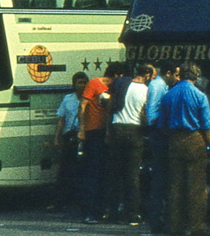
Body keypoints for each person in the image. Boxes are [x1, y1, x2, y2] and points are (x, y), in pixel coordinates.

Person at [158, 61, 210, 236]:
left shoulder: (168, 95)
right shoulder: (199, 95)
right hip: (194, 139)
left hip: (174, 140)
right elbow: (208, 126)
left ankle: (175, 225)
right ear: (196, 75)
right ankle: (197, 226)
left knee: (175, 185)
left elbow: (162, 124)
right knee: (196, 186)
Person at [106, 64, 150, 224]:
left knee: (115, 174)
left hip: (117, 128)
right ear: (147, 75)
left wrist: (108, 131)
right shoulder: (146, 91)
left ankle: (112, 212)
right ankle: (132, 214)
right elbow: (145, 114)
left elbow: (110, 106)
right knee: (132, 176)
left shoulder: (123, 84)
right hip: (134, 131)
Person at [78, 63, 116, 223]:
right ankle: (89, 211)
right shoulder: (94, 83)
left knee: (103, 173)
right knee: (92, 172)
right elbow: (83, 105)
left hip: (104, 132)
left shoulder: (113, 87)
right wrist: (82, 129)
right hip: (93, 131)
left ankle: (101, 210)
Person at [143, 62, 175, 234]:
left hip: (158, 131)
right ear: (168, 73)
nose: (177, 79)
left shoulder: (160, 85)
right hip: (158, 132)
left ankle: (159, 217)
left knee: (161, 177)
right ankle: (156, 219)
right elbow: (153, 113)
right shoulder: (158, 86)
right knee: (160, 177)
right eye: (175, 75)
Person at [49, 72, 88, 213]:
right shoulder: (68, 99)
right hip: (69, 135)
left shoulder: (89, 99)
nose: (82, 86)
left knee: (83, 171)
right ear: (74, 84)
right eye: (79, 83)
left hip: (83, 136)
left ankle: (81, 203)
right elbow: (61, 120)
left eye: (84, 83)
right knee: (64, 171)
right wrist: (56, 138)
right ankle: (59, 203)